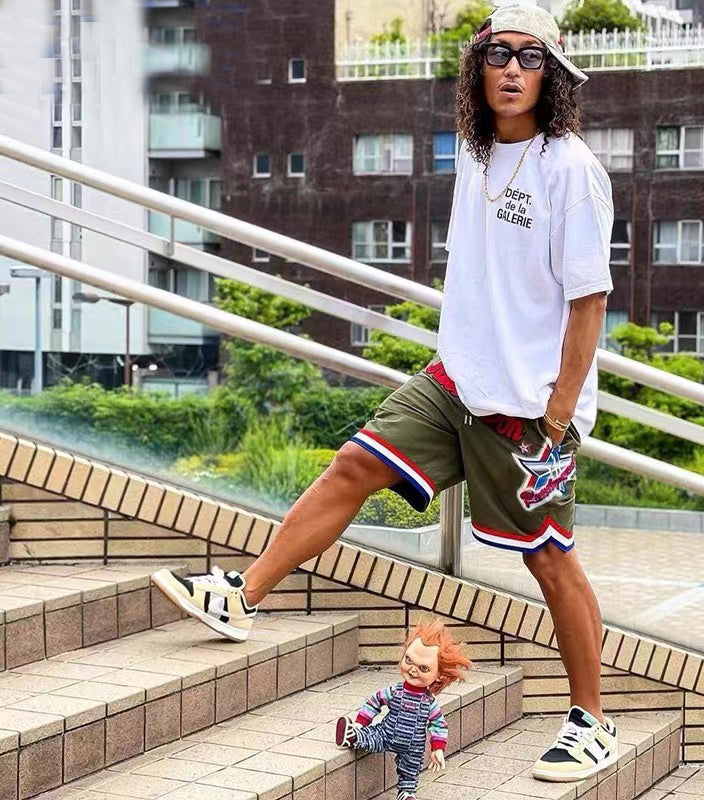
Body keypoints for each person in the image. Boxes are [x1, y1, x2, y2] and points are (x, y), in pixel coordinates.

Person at [153, 0, 618, 782]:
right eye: (498, 54)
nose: (512, 69)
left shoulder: (569, 168)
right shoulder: (474, 152)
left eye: (531, 57)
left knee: (549, 561)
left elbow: (589, 300)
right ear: (478, 67)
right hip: (457, 381)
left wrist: (558, 412)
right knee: (354, 465)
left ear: (553, 75)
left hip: (528, 408)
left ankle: (592, 721)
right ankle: (242, 595)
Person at [334, 618, 471, 800]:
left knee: (411, 769)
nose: (413, 670)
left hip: (413, 746)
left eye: (423, 668)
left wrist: (438, 748)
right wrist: (361, 722)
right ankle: (353, 736)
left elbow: (439, 724)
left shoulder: (429, 703)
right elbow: (374, 702)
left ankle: (406, 793)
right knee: (371, 737)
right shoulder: (394, 691)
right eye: (409, 660)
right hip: (387, 732)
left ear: (439, 676)